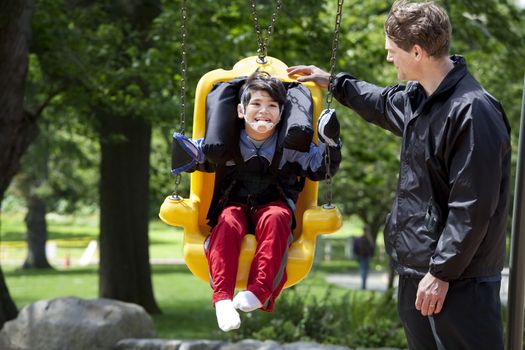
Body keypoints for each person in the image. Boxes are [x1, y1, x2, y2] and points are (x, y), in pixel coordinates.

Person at [287, 1, 511, 349]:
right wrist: (334, 83)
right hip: (417, 273)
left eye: (393, 50)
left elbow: (472, 206)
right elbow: (378, 101)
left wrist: (440, 273)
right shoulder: (418, 98)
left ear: (417, 51)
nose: (389, 58)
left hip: (459, 282)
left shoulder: (473, 111)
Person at [172, 71, 342, 332]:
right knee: (227, 220)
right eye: (256, 104)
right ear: (241, 110)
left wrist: (331, 142)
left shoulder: (291, 146)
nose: (264, 112)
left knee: (277, 217)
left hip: (273, 205)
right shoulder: (226, 142)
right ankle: (222, 300)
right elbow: (199, 155)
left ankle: (259, 291)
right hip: (234, 204)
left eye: (272, 106)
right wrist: (185, 152)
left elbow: (321, 167)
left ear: (281, 113)